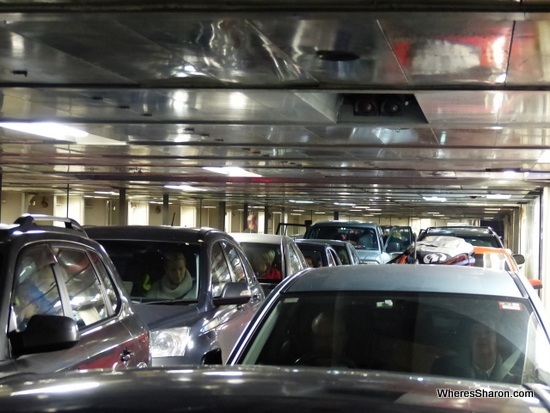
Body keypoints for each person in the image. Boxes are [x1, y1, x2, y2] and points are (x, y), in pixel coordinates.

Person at [430, 317, 522, 383]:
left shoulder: (518, 376)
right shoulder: (445, 370)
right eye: (475, 332)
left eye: (488, 332)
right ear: (468, 339)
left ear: (498, 340)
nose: (482, 337)